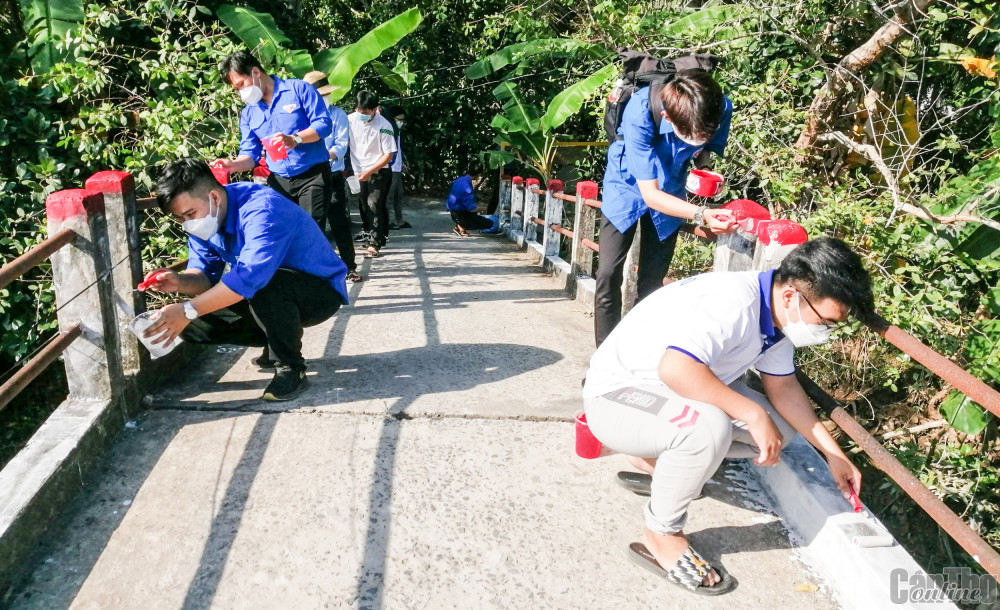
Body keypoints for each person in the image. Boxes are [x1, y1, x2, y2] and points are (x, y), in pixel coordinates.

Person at [582, 237, 873, 595]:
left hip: (669, 394)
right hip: (618, 396)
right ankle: (661, 535)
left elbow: (784, 391)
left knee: (780, 429)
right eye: (825, 321)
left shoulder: (777, 318)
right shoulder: (733, 304)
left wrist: (834, 455)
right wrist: (751, 412)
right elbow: (677, 369)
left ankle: (655, 458)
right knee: (708, 428)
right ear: (791, 296)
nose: (824, 333)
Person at [143, 158, 350, 402]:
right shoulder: (206, 221)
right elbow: (204, 276)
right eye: (180, 218)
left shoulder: (263, 209)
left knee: (263, 285)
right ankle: (275, 339)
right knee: (190, 327)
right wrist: (179, 281)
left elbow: (250, 277)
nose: (188, 223)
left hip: (319, 293)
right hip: (268, 291)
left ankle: (290, 367)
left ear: (215, 197)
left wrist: (187, 310)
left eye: (190, 213)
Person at [596, 70, 739, 347]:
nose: (694, 139)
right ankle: (603, 362)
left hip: (672, 185)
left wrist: (705, 171)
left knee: (651, 282)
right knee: (608, 275)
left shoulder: (720, 106)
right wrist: (703, 214)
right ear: (667, 117)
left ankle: (639, 355)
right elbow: (650, 195)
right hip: (625, 184)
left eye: (702, 133)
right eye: (689, 134)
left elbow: (704, 152)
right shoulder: (640, 110)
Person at [212, 52, 333, 241]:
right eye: (236, 89)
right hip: (279, 180)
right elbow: (249, 153)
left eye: (241, 85)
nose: (241, 92)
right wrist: (233, 165)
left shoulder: (298, 89)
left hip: (312, 175)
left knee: (310, 233)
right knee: (281, 235)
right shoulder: (248, 114)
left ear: (255, 72)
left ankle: (324, 270)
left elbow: (323, 124)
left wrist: (295, 139)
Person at [302, 70, 363, 283]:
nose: (324, 97)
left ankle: (349, 267)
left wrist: (317, 154)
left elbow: (341, 146)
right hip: (307, 180)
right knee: (312, 226)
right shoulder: (299, 116)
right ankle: (315, 272)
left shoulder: (338, 115)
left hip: (333, 176)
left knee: (340, 224)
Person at [348, 91, 397, 257]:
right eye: (360, 111)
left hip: (379, 171)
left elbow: (388, 154)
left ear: (375, 109)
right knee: (362, 205)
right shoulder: (349, 120)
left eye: (367, 113)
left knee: (374, 204)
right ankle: (372, 234)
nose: (362, 115)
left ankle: (375, 243)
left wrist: (370, 171)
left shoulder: (384, 126)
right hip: (357, 171)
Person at [445, 164, 495, 236]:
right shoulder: (467, 188)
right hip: (460, 215)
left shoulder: (459, 180)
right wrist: (486, 209)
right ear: (478, 175)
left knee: (475, 213)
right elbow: (472, 209)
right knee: (489, 223)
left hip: (453, 212)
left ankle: (460, 225)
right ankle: (461, 225)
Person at [384, 106, 411, 230]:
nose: (401, 122)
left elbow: (399, 149)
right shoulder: (389, 129)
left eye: (403, 120)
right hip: (391, 167)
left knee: (398, 195)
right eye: (399, 119)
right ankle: (387, 221)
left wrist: (403, 162)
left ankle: (399, 220)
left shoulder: (397, 131)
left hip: (398, 167)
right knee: (389, 196)